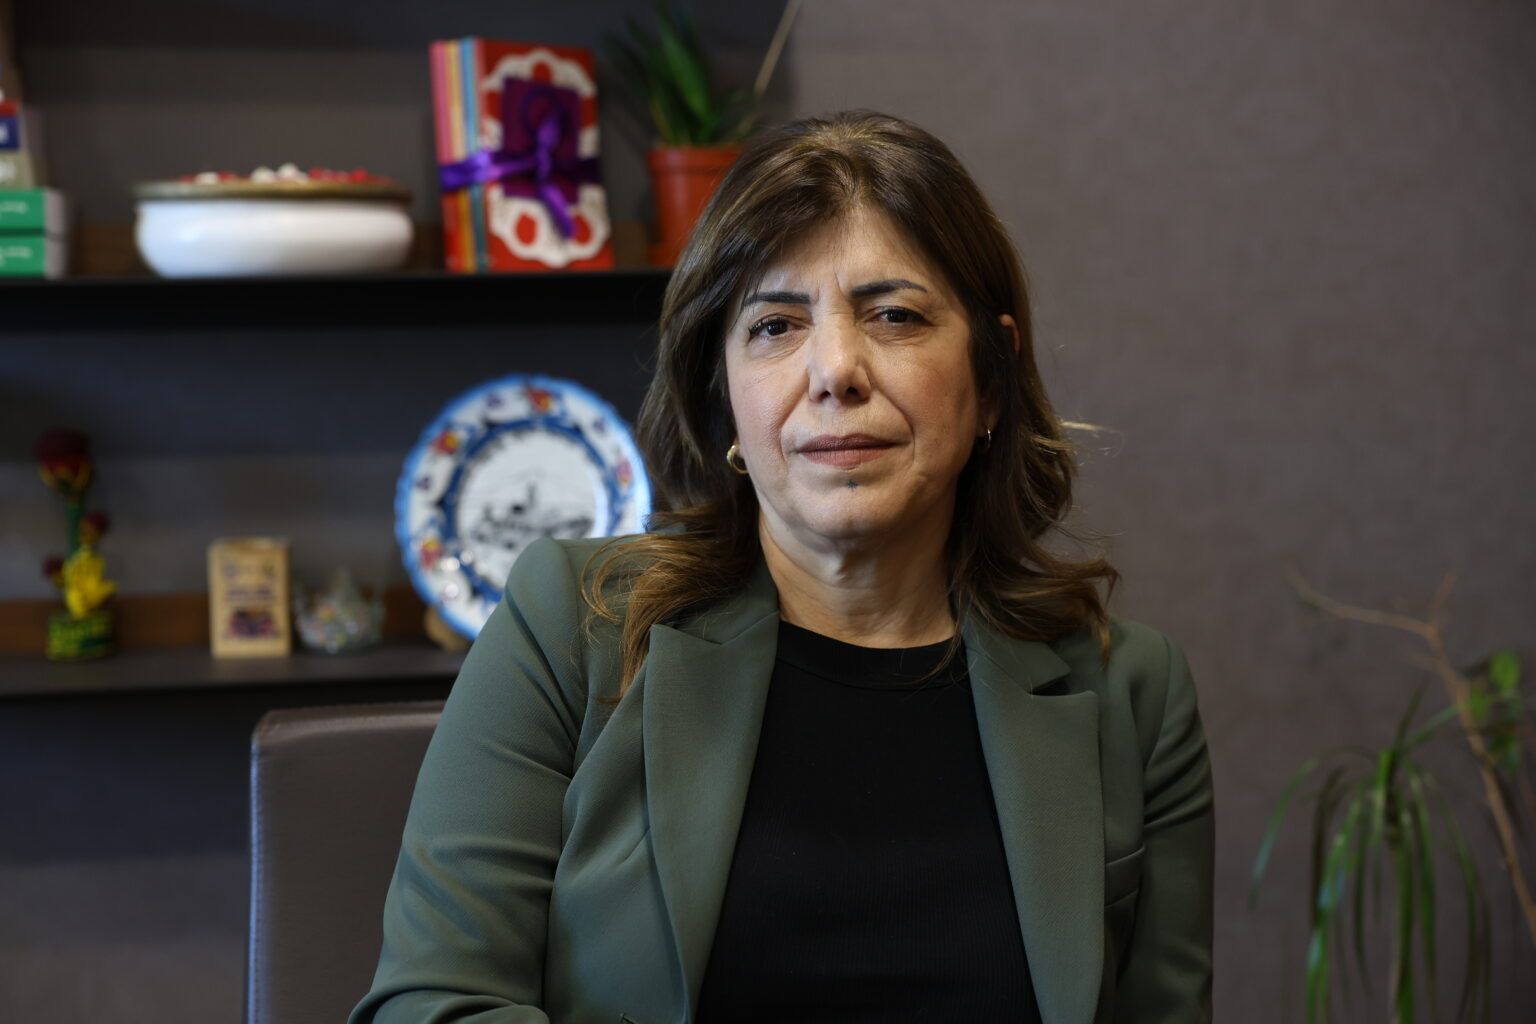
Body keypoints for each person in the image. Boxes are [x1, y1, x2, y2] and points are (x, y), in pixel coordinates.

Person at [350, 109, 1214, 1024]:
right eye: (774, 325)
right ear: (724, 393)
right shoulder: (572, 625)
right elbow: (434, 1003)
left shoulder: (1132, 692)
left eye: (894, 315)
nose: (836, 370)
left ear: (992, 377)